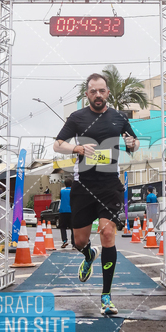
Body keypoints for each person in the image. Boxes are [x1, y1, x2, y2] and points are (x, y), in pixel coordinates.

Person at [54, 73, 139, 316]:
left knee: (108, 233)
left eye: (102, 91)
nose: (98, 95)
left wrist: (132, 144)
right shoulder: (77, 117)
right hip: (84, 185)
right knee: (79, 241)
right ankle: (88, 254)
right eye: (93, 91)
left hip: (110, 184)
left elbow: (133, 142)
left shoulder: (119, 117)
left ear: (108, 93)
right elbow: (57, 144)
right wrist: (77, 147)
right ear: (87, 95)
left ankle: (106, 296)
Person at [58, 178, 74, 249]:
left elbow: (61, 198)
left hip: (63, 211)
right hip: (71, 211)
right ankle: (74, 244)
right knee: (72, 228)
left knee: (63, 227)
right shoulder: (73, 191)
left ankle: (64, 240)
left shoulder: (62, 191)